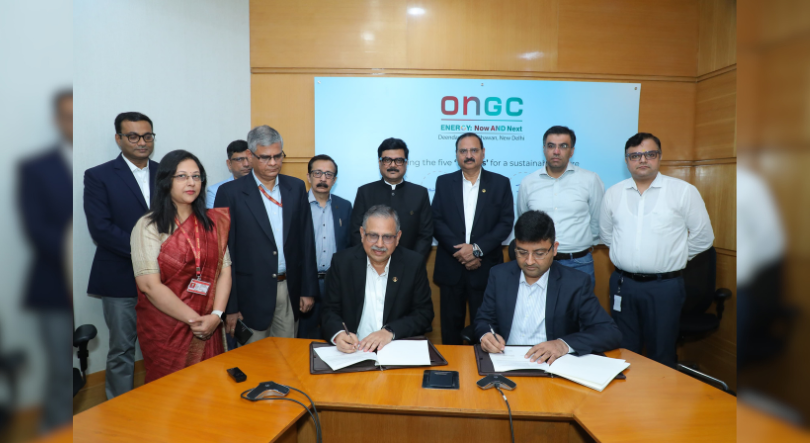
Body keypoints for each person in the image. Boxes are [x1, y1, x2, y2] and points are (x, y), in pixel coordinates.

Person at [600, 133, 714, 367]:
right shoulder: (613, 193)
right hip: (623, 285)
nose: (642, 160)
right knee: (623, 352)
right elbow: (606, 235)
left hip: (664, 287)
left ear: (660, 157)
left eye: (649, 154)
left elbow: (704, 237)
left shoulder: (683, 191)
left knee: (661, 353)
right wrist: (629, 256)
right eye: (635, 156)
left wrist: (675, 257)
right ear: (626, 161)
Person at [131, 150, 231, 382]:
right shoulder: (149, 226)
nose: (191, 182)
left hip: (209, 322)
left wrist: (216, 316)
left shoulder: (212, 222)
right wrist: (196, 321)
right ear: (166, 181)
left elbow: (225, 270)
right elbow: (149, 286)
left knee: (210, 387)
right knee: (171, 391)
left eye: (196, 176)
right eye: (182, 176)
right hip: (167, 327)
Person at [214, 125, 318, 341]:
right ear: (250, 155)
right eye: (265, 157)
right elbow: (223, 252)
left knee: (287, 355)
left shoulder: (296, 187)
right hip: (249, 295)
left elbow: (306, 241)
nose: (273, 163)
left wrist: (308, 289)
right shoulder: (230, 193)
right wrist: (230, 306)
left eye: (278, 156)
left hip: (289, 289)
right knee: (253, 358)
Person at [475, 211, 621, 364]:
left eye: (539, 253)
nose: (529, 261)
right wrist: (486, 335)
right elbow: (484, 319)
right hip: (504, 362)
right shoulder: (499, 275)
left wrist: (562, 345)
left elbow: (609, 332)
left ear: (554, 248)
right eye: (522, 252)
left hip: (551, 365)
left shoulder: (575, 283)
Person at [83, 111, 158, 399]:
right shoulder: (98, 176)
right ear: (119, 138)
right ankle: (118, 411)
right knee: (122, 349)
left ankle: (163, 406)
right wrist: (148, 252)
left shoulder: (167, 173)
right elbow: (101, 229)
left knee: (163, 345)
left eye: (147, 136)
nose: (142, 142)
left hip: (165, 278)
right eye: (133, 136)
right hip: (120, 276)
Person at [18, 89, 73, 432]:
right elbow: (36, 229)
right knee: (60, 371)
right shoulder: (35, 168)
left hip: (100, 282)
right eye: (68, 116)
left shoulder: (100, 170)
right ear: (56, 120)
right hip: (53, 284)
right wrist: (70, 260)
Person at [432, 132, 514, 345]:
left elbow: (505, 223)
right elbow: (436, 221)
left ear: (483, 153)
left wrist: (476, 249)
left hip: (485, 269)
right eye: (463, 151)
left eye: (474, 150)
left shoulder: (500, 183)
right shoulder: (444, 182)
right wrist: (462, 253)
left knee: (485, 330)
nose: (468, 155)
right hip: (451, 269)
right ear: (456, 155)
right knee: (450, 331)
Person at [322, 205, 434, 353]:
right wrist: (339, 334)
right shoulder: (342, 262)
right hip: (354, 350)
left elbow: (424, 314)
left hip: (395, 349)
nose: (379, 244)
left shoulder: (413, 264)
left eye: (387, 237)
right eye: (373, 236)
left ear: (398, 237)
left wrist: (390, 332)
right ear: (362, 234)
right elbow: (329, 311)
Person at [517, 126, 603, 290]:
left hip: (579, 263)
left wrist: (577, 244)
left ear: (572, 151)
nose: (556, 151)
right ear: (544, 149)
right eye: (551, 146)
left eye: (563, 146)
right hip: (538, 263)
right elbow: (524, 220)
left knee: (580, 307)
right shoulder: (528, 182)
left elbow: (597, 221)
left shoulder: (590, 180)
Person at [350, 138, 433, 262]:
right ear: (379, 162)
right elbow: (356, 232)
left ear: (406, 163)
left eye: (398, 160)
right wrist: (370, 261)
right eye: (387, 160)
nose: (393, 165)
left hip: (409, 265)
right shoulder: (365, 192)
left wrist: (413, 263)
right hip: (370, 263)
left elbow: (425, 235)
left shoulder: (420, 193)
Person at [299, 154, 352, 339]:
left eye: (328, 174)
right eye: (318, 173)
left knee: (336, 335)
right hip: (306, 282)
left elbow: (350, 245)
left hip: (335, 282)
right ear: (309, 176)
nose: (323, 178)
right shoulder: (297, 205)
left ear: (334, 180)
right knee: (305, 337)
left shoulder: (344, 206)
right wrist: (304, 289)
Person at [206, 140, 251, 209]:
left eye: (249, 158)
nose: (246, 164)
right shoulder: (215, 191)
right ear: (229, 164)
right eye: (239, 159)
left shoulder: (262, 186)